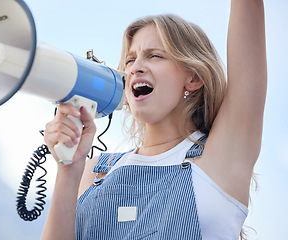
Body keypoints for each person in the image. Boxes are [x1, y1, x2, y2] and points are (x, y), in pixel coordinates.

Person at [42, 0, 266, 239]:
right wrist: (68, 172)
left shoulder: (220, 161)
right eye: (130, 60)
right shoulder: (93, 173)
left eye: (155, 56)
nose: (135, 67)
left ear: (194, 77)